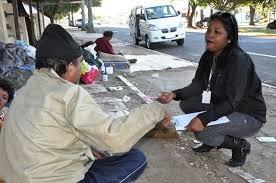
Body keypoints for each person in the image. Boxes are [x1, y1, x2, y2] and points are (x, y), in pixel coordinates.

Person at [0, 24, 170, 183]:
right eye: (80, 63)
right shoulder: (68, 93)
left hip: (12, 177)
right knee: (136, 158)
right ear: (69, 67)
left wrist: (87, 148)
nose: (83, 68)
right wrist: (157, 110)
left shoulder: (27, 88)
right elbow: (116, 139)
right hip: (50, 179)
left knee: (96, 150)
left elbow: (50, 131)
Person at [158, 12, 266, 167]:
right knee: (187, 103)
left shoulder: (238, 60)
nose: (210, 35)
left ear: (229, 38)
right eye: (208, 30)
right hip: (223, 105)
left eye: (217, 32)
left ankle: (240, 146)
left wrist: (203, 119)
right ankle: (212, 141)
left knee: (203, 132)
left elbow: (231, 102)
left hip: (248, 115)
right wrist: (175, 94)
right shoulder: (209, 55)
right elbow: (197, 85)